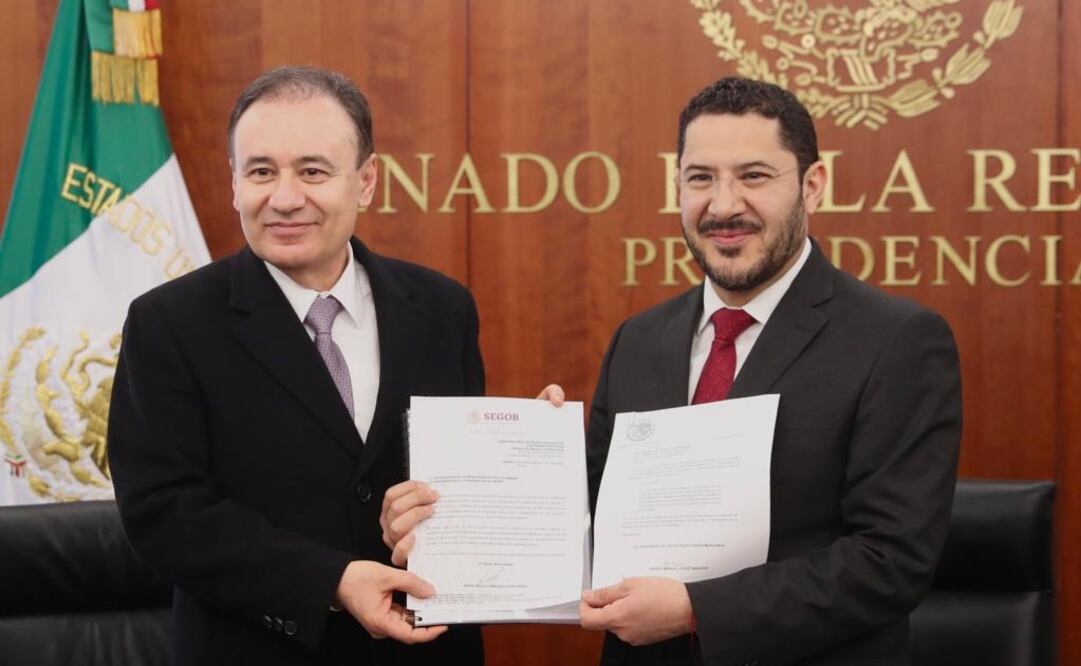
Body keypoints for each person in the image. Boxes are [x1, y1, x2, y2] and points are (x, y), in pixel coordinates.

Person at [381, 77, 962, 665]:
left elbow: (891, 562)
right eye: (701, 178)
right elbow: (587, 530)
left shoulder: (895, 341)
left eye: (754, 176)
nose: (724, 204)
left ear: (812, 186)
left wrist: (695, 610)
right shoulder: (640, 339)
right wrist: (464, 508)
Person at [108, 66, 484, 666]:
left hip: (425, 651)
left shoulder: (442, 309)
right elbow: (163, 514)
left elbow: (462, 487)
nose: (284, 198)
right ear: (233, 184)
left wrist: (529, 445)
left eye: (312, 171)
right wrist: (331, 580)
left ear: (365, 182)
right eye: (261, 172)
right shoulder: (169, 324)